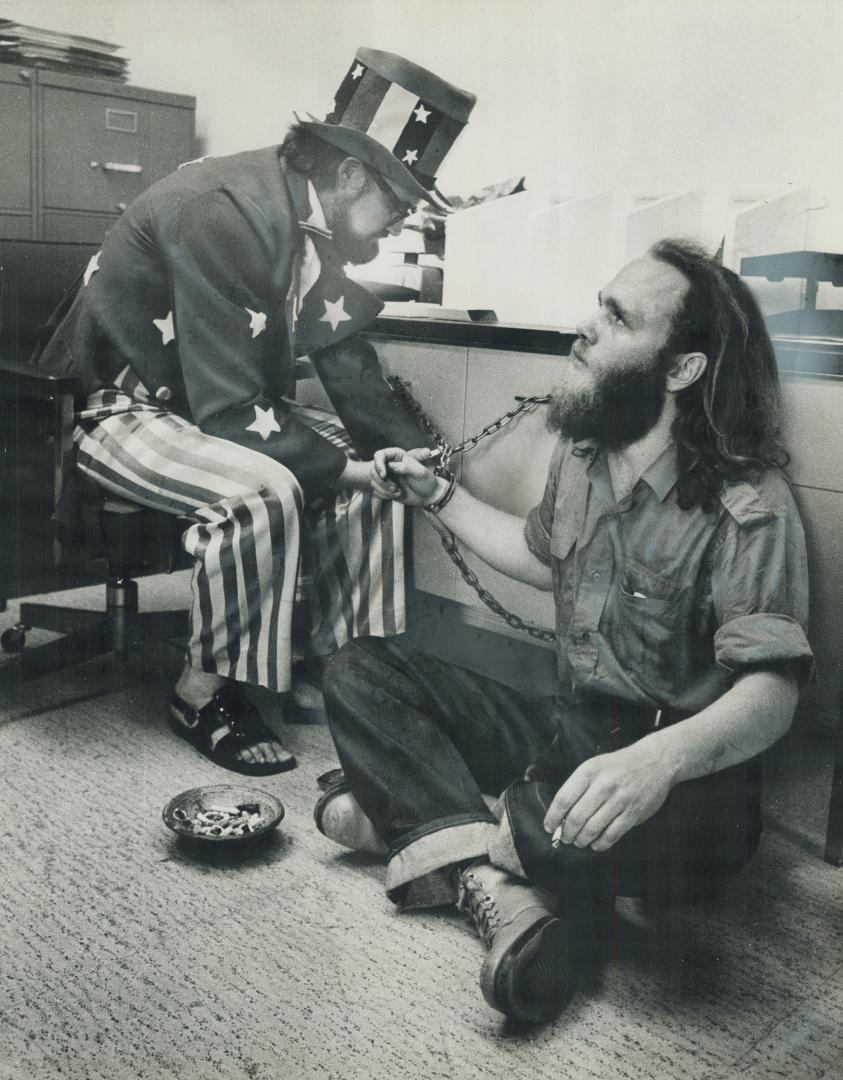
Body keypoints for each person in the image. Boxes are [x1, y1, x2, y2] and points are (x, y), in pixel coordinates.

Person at [315, 239, 813, 1023]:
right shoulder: (582, 454)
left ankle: (436, 827)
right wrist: (436, 494)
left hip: (679, 778)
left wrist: (658, 761)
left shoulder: (747, 502)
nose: (584, 327)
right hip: (567, 731)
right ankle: (503, 878)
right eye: (597, 305)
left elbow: (772, 690)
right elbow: (541, 557)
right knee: (355, 670)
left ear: (680, 369)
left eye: (616, 318)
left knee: (599, 833)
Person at [33, 48, 476, 776]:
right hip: (114, 407)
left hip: (206, 407)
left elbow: (344, 357)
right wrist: (354, 467)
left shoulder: (308, 217)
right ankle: (204, 693)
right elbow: (232, 409)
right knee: (258, 493)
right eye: (396, 203)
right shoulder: (224, 209)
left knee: (380, 484)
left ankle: (347, 676)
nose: (399, 222)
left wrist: (409, 461)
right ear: (351, 175)